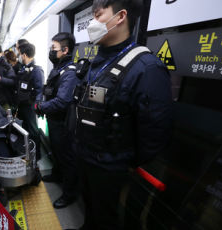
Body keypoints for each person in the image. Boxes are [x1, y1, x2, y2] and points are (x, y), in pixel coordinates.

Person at [73, 1, 173, 229]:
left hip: (111, 167)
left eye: (98, 15)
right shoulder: (98, 62)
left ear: (120, 17)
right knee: (90, 208)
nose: (92, 24)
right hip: (85, 155)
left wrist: (124, 160)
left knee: (106, 217)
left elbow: (156, 131)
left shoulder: (146, 68)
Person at [35, 32, 80, 209]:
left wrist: (40, 107)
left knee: (66, 157)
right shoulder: (58, 68)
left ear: (65, 50)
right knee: (56, 151)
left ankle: (69, 194)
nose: (51, 51)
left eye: (54, 48)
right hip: (53, 120)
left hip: (63, 123)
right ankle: (57, 174)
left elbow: (62, 101)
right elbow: (48, 89)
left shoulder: (70, 73)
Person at [15, 43, 44, 160]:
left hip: (31, 106)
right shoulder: (23, 69)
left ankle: (36, 156)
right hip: (23, 105)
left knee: (33, 131)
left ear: (24, 55)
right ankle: (28, 152)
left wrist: (37, 106)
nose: (20, 57)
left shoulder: (37, 70)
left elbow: (39, 90)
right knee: (26, 130)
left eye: (21, 54)